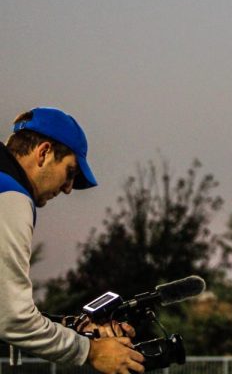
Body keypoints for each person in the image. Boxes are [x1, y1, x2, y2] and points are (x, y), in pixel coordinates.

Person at [0, 108, 145, 374]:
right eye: (69, 172)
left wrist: (72, 329)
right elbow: (11, 318)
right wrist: (91, 350)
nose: (68, 188)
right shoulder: (10, 195)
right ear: (43, 152)